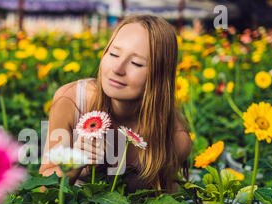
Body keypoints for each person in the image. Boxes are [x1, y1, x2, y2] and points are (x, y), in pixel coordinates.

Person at [39, 14, 192, 194]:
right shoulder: (72, 101)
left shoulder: (175, 139)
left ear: (159, 77)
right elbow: (42, 191)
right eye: (113, 54)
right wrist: (72, 165)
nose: (117, 69)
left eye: (136, 63)